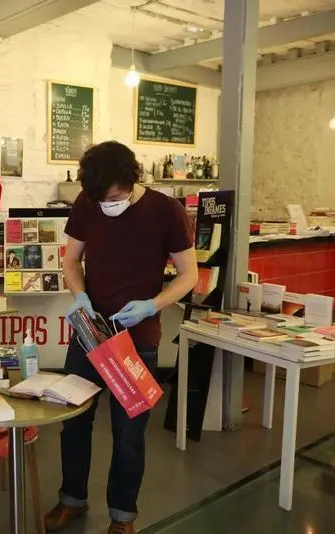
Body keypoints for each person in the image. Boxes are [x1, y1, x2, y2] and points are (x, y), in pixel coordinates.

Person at [45, 141, 198, 534]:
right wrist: (79, 295)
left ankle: (122, 516)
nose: (106, 205)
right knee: (74, 422)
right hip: (88, 334)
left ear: (133, 178)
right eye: (99, 200)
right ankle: (71, 499)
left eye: (113, 198)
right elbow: (71, 260)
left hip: (138, 337)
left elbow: (189, 275)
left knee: (129, 434)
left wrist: (153, 304)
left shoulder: (167, 212)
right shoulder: (87, 202)